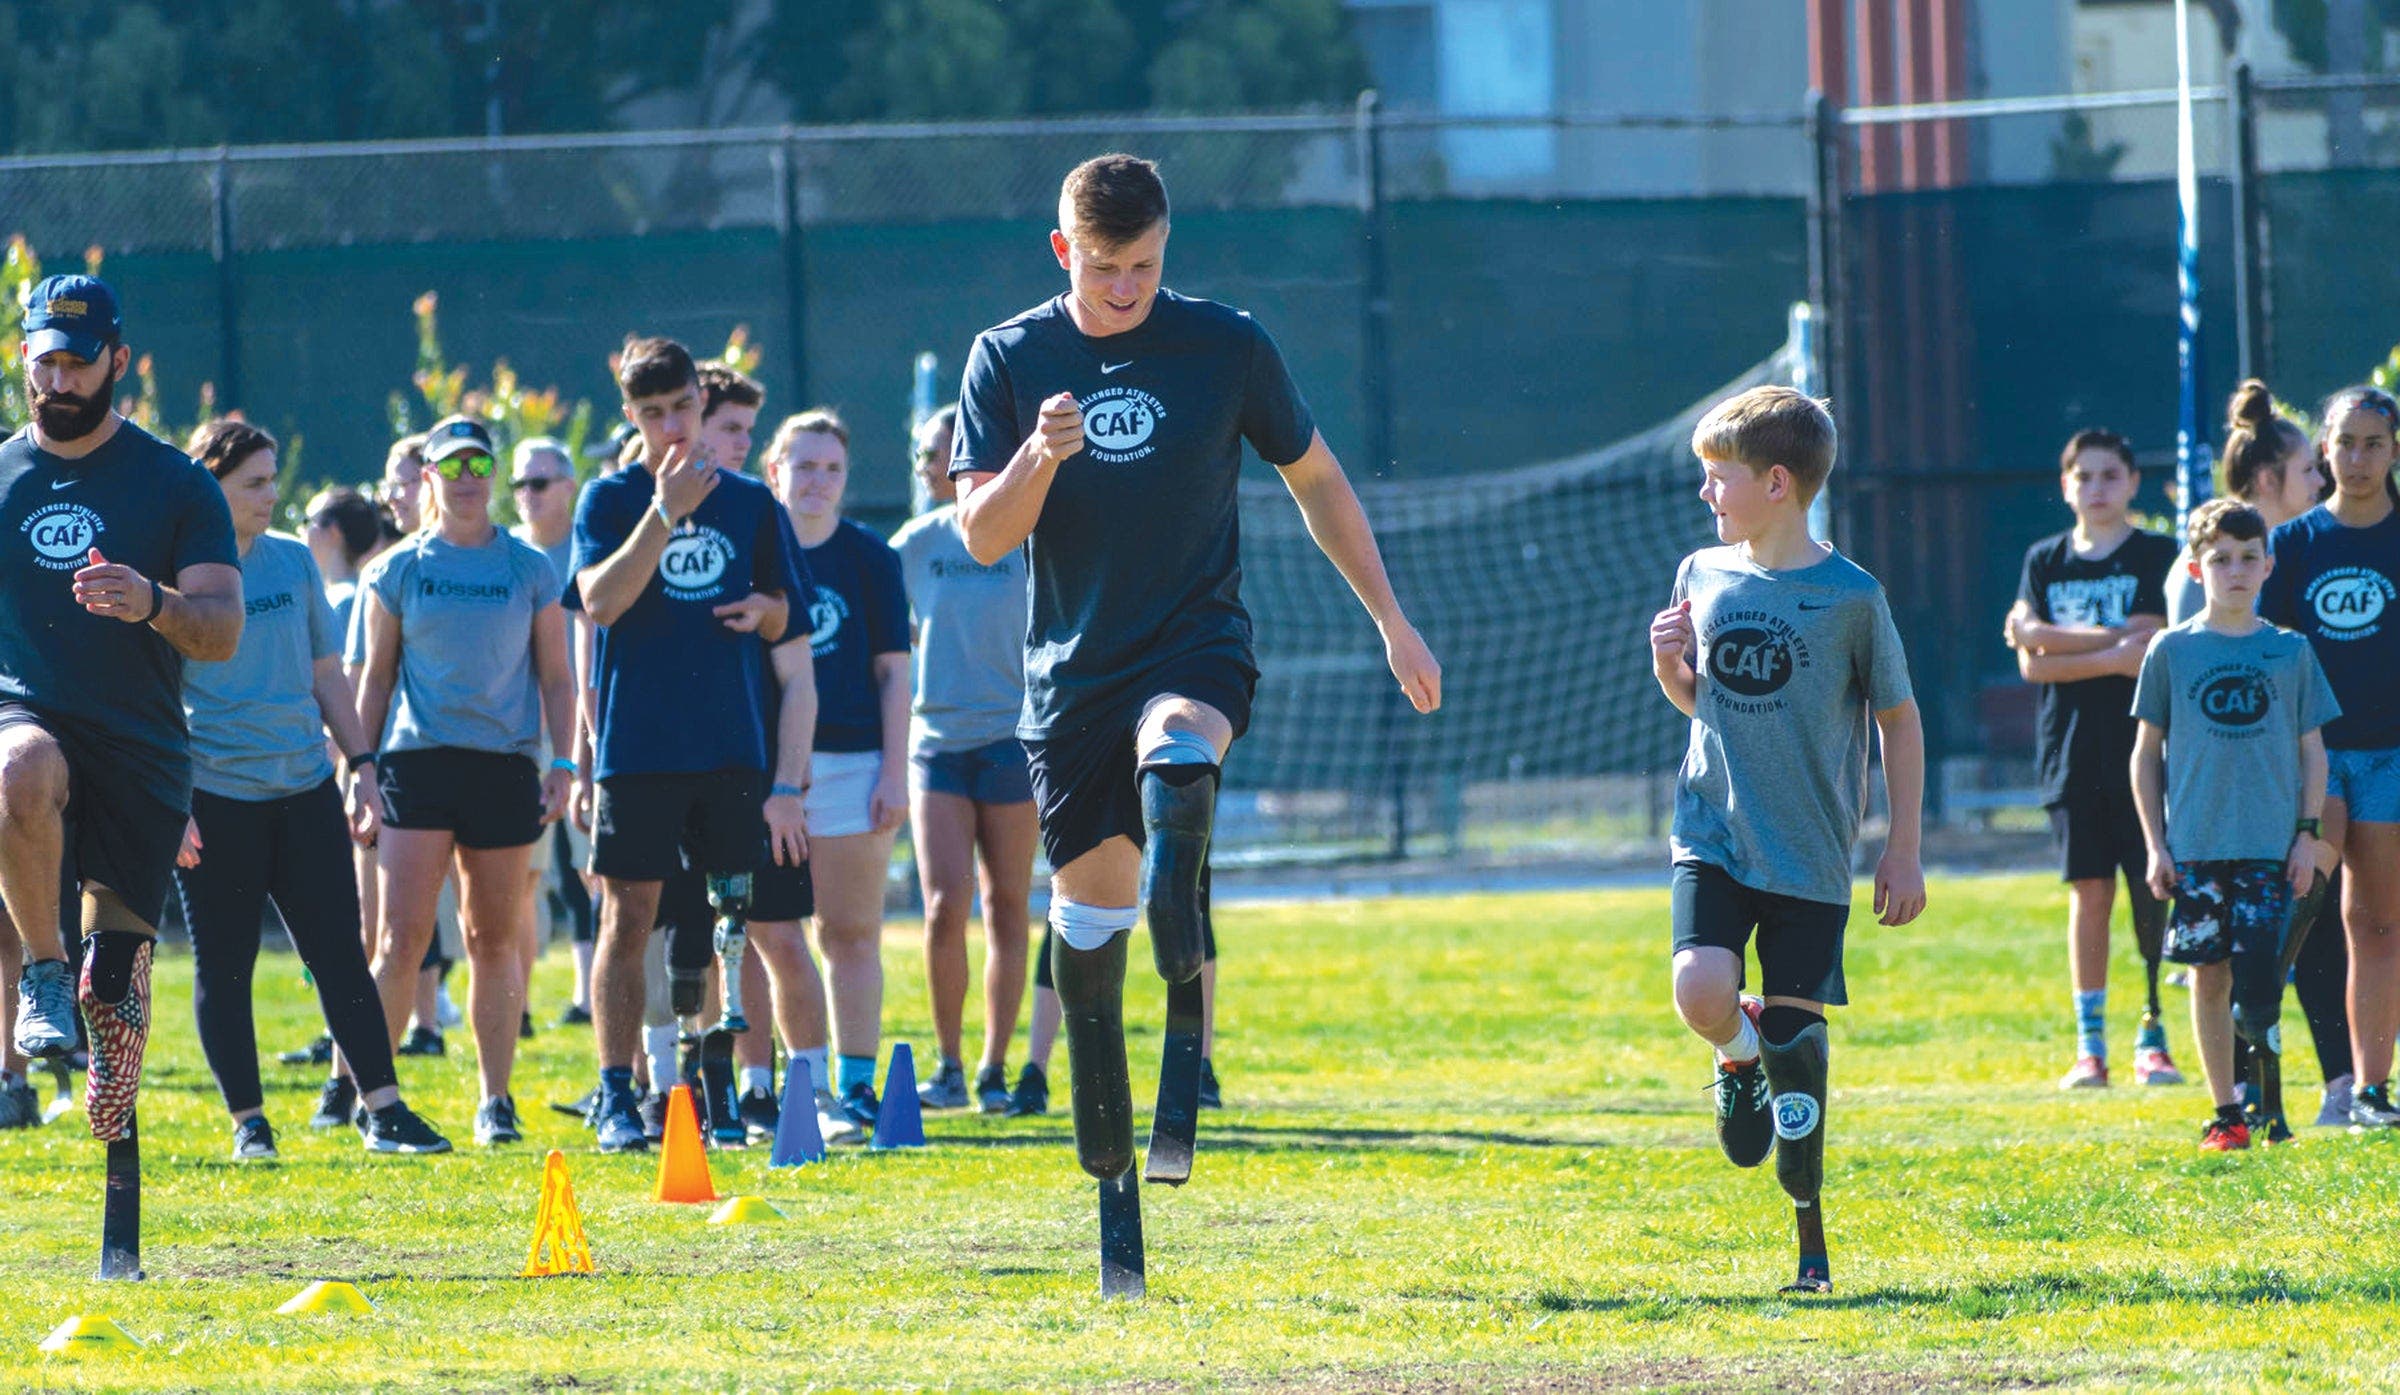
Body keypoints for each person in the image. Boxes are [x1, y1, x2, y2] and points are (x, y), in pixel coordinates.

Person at [951, 154, 1441, 1293]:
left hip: (1192, 643)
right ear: (1064, 251)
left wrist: (1392, 619)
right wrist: (1040, 452)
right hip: (1070, 683)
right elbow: (980, 536)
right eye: (1108, 269)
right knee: (1089, 934)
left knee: (1179, 741)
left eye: (1148, 267)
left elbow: (1316, 479)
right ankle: (1115, 1169)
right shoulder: (1010, 358)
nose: (1128, 290)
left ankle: (1186, 892)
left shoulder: (1226, 344)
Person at [1648, 384, 1925, 1296]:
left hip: (1809, 851)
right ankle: (1736, 1057)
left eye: (1716, 477)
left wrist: (1902, 846)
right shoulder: (1702, 572)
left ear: (1776, 482)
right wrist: (1669, 670)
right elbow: (1708, 705)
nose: (1705, 495)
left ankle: (1810, 1243)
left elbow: (1899, 720)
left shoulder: (1853, 597)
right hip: (1713, 828)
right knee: (1700, 988)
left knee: (1800, 1063)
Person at [1, 273, 243, 1152]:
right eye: (45, 361)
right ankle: (42, 972)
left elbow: (220, 633)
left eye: (78, 361)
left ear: (120, 361)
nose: (59, 380)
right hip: (26, 718)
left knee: (118, 983)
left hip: (142, 749)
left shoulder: (174, 483)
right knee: (18, 770)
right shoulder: (1, 477)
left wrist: (151, 601)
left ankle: (105, 1013)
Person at [172, 420, 447, 1158]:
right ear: (209, 485)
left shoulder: (293, 561)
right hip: (214, 798)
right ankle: (249, 1124)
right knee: (224, 968)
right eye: (254, 483)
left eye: (272, 480)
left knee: (339, 953)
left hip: (303, 789)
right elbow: (151, 701)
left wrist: (362, 767)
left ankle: (383, 1109)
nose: (271, 495)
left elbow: (329, 673)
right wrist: (171, 803)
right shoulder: (173, 574)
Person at [570, 336, 816, 1154]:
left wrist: (767, 612)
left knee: (727, 924)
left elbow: (789, 620)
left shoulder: (751, 503)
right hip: (638, 750)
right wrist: (663, 513)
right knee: (626, 916)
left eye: (682, 409)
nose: (671, 428)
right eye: (651, 415)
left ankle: (718, 1088)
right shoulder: (608, 500)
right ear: (630, 417)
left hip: (731, 749)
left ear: (702, 405)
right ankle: (617, 1091)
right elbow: (599, 602)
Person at [355, 415, 575, 1148]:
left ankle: (496, 1100)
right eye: (451, 466)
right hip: (417, 766)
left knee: (493, 938)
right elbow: (376, 680)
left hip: (505, 767)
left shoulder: (528, 567)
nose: (468, 478)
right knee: (402, 937)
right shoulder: (398, 569)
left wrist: (564, 762)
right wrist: (357, 769)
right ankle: (377, 1098)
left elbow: (556, 676)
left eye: (480, 463)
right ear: (429, 479)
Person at [2171, 382, 2353, 1127]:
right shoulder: (2209, 582)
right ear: (2271, 479)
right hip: (2221, 816)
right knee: (2245, 952)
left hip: (2305, 783)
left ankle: (2338, 1083)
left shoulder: (2305, 557)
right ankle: (2243, 1097)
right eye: (2311, 470)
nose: (2322, 483)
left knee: (2305, 922)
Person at [2132, 499, 2337, 1150]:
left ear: (2269, 565)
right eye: (2221, 559)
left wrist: (2306, 832)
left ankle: (2272, 1104)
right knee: (2209, 974)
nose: (2236, 570)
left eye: (2249, 557)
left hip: (2270, 848)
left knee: (2263, 979)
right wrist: (2155, 842)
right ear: (2195, 568)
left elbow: (2313, 749)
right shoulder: (2172, 650)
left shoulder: (2290, 651)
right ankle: (2227, 1110)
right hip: (2195, 846)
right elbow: (2145, 752)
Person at [2004, 430, 2181, 1089]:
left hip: (2146, 752)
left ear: (2133, 482)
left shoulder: (2157, 554)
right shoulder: (2045, 559)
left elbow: (2155, 642)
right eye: (2084, 475)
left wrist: (2060, 646)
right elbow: (2028, 656)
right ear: (2066, 484)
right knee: (2090, 892)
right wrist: (2112, 649)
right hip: (2071, 754)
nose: (2097, 487)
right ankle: (2090, 1045)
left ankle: (2153, 1032)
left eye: (2111, 474)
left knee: (2151, 890)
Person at [764, 408, 911, 1132]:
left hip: (855, 763)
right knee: (774, 933)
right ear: (775, 471)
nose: (817, 481)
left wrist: (894, 771)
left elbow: (893, 674)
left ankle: (856, 1086)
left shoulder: (871, 558)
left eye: (832, 468)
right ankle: (798, 1087)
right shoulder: (751, 549)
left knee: (850, 932)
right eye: (805, 465)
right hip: (767, 773)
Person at [892, 405, 1040, 1114]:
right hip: (938, 746)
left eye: (954, 453)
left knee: (1008, 905)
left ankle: (993, 1068)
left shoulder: (1028, 536)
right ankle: (947, 1065)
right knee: (944, 906)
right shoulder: (912, 547)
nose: (941, 466)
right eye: (930, 455)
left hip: (1015, 741)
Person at [2262, 385, 2400, 1128]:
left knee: (2376, 923)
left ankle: (2371, 1091)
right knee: (2295, 910)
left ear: (2395, 450)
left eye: (2373, 443)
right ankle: (2255, 1087)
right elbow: (2267, 661)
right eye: (2344, 443)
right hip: (2315, 756)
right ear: (2324, 447)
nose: (2357, 458)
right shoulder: (2291, 546)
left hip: (2392, 758)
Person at [510, 437, 598, 1030]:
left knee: (590, 870)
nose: (529, 496)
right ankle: (516, 1001)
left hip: (587, 733)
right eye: (520, 484)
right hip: (524, 739)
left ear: (569, 486)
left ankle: (591, 994)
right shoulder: (507, 554)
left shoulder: (587, 549)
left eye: (541, 483)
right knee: (525, 876)